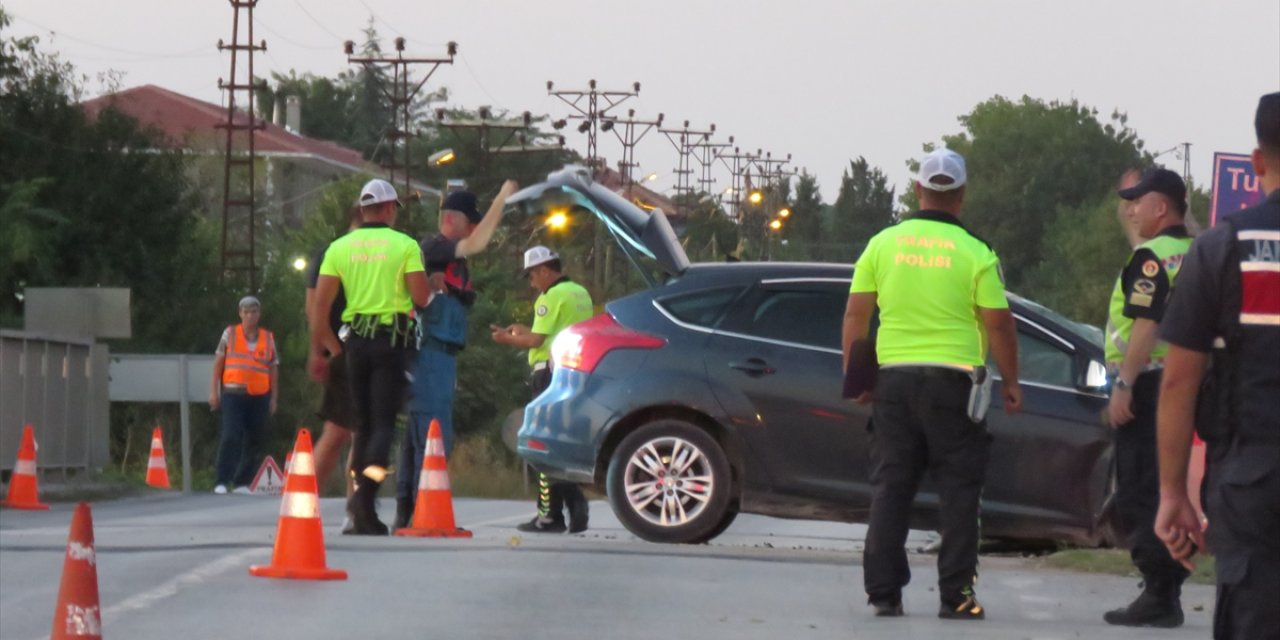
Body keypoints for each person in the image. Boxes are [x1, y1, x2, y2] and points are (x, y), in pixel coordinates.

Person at [842, 148, 1021, 620]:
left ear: (918, 191)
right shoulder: (977, 252)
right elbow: (999, 324)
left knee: (891, 487)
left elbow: (857, 314)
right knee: (960, 492)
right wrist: (1011, 381)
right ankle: (956, 596)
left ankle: (883, 592)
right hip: (955, 386)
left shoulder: (882, 245)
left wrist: (857, 377)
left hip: (894, 383)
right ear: (961, 195)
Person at [1154, 91, 1280, 640]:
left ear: (1257, 162)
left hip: (1253, 479)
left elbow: (1180, 380)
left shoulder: (1223, 248)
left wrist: (1173, 493)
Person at [309, 178, 432, 535]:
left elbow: (320, 305)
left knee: (361, 428)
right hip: (391, 345)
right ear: (390, 208)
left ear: (363, 211)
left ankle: (361, 510)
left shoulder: (340, 248)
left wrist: (332, 346)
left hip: (355, 347)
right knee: (382, 429)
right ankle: (365, 499)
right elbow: (421, 298)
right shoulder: (405, 245)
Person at [395, 181, 519, 530]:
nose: (478, 228)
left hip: (441, 356)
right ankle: (423, 513)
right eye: (474, 220)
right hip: (429, 355)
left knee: (421, 435)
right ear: (454, 220)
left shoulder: (445, 255)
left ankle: (410, 511)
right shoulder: (437, 246)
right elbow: (479, 243)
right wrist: (501, 197)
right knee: (434, 435)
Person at [1101, 166, 1194, 628]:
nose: (1132, 209)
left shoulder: (1152, 257)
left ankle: (1158, 591)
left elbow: (1145, 323)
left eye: (1139, 201)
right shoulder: (1199, 251)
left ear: (1161, 207)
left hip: (1149, 382)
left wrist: (1124, 385)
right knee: (1172, 485)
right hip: (1189, 383)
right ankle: (1169, 587)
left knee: (1139, 488)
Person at [491, 246, 594, 534]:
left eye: (532, 275)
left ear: (545, 270)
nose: (531, 282)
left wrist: (505, 340)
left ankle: (550, 515)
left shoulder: (550, 297)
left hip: (547, 375)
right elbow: (551, 332)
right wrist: (522, 330)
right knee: (562, 444)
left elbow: (537, 342)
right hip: (574, 374)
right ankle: (574, 506)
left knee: (542, 446)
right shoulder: (579, 293)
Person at [306, 206, 360, 512]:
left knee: (341, 431)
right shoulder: (336, 254)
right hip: (350, 348)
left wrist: (320, 350)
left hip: (341, 347)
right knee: (347, 431)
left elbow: (311, 310)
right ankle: (355, 506)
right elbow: (314, 309)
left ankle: (305, 500)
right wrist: (333, 351)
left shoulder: (326, 252)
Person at [209, 296, 279, 495]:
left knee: (255, 438)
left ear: (259, 314)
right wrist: (213, 391)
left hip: (259, 396)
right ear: (240, 313)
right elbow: (218, 363)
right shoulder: (230, 333)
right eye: (246, 312)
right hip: (233, 394)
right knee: (231, 435)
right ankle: (221, 480)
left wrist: (274, 398)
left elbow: (274, 368)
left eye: (254, 312)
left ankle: (242, 482)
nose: (250, 316)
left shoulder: (267, 337)